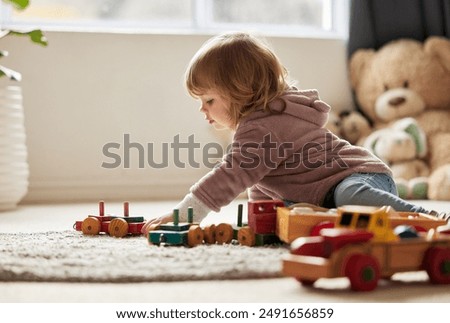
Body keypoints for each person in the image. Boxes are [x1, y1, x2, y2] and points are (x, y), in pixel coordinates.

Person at [141, 32, 447, 234]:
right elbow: (259, 183)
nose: (203, 110)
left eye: (209, 100)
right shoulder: (258, 127)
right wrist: (258, 227)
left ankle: (426, 217)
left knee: (346, 196)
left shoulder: (264, 126)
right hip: (329, 192)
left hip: (359, 176)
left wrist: (186, 214)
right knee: (302, 215)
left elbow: (231, 175)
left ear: (240, 92)